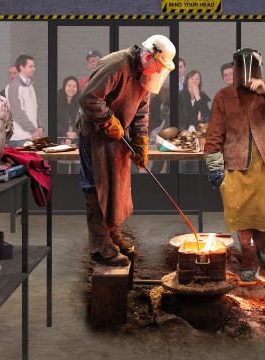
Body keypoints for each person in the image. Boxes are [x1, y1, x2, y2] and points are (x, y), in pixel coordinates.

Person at [79, 34, 176, 266]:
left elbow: (142, 111)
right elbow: (88, 97)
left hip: (117, 135)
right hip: (95, 135)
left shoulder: (144, 73)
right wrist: (108, 120)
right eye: (159, 67)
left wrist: (141, 142)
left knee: (117, 187)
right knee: (98, 186)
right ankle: (100, 244)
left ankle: (113, 235)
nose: (158, 72)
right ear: (149, 56)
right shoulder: (116, 65)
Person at [204, 48, 265, 282]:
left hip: (261, 166)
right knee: (241, 219)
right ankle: (249, 260)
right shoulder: (223, 97)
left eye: (251, 67)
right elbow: (215, 132)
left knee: (262, 218)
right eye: (241, 67)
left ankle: (263, 247)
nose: (246, 72)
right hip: (234, 166)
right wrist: (214, 163)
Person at [6, 55, 43, 147]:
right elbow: (17, 113)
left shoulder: (30, 85)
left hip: (30, 137)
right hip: (19, 138)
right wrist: (32, 130)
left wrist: (40, 125)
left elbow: (35, 108)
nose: (34, 69)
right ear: (22, 67)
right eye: (30, 66)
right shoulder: (13, 87)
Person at [57, 76, 80, 145]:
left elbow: (84, 120)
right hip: (60, 136)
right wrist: (66, 134)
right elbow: (54, 122)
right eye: (69, 86)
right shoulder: (57, 100)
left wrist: (75, 133)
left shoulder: (81, 101)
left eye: (74, 86)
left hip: (77, 137)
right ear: (64, 87)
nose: (71, 88)